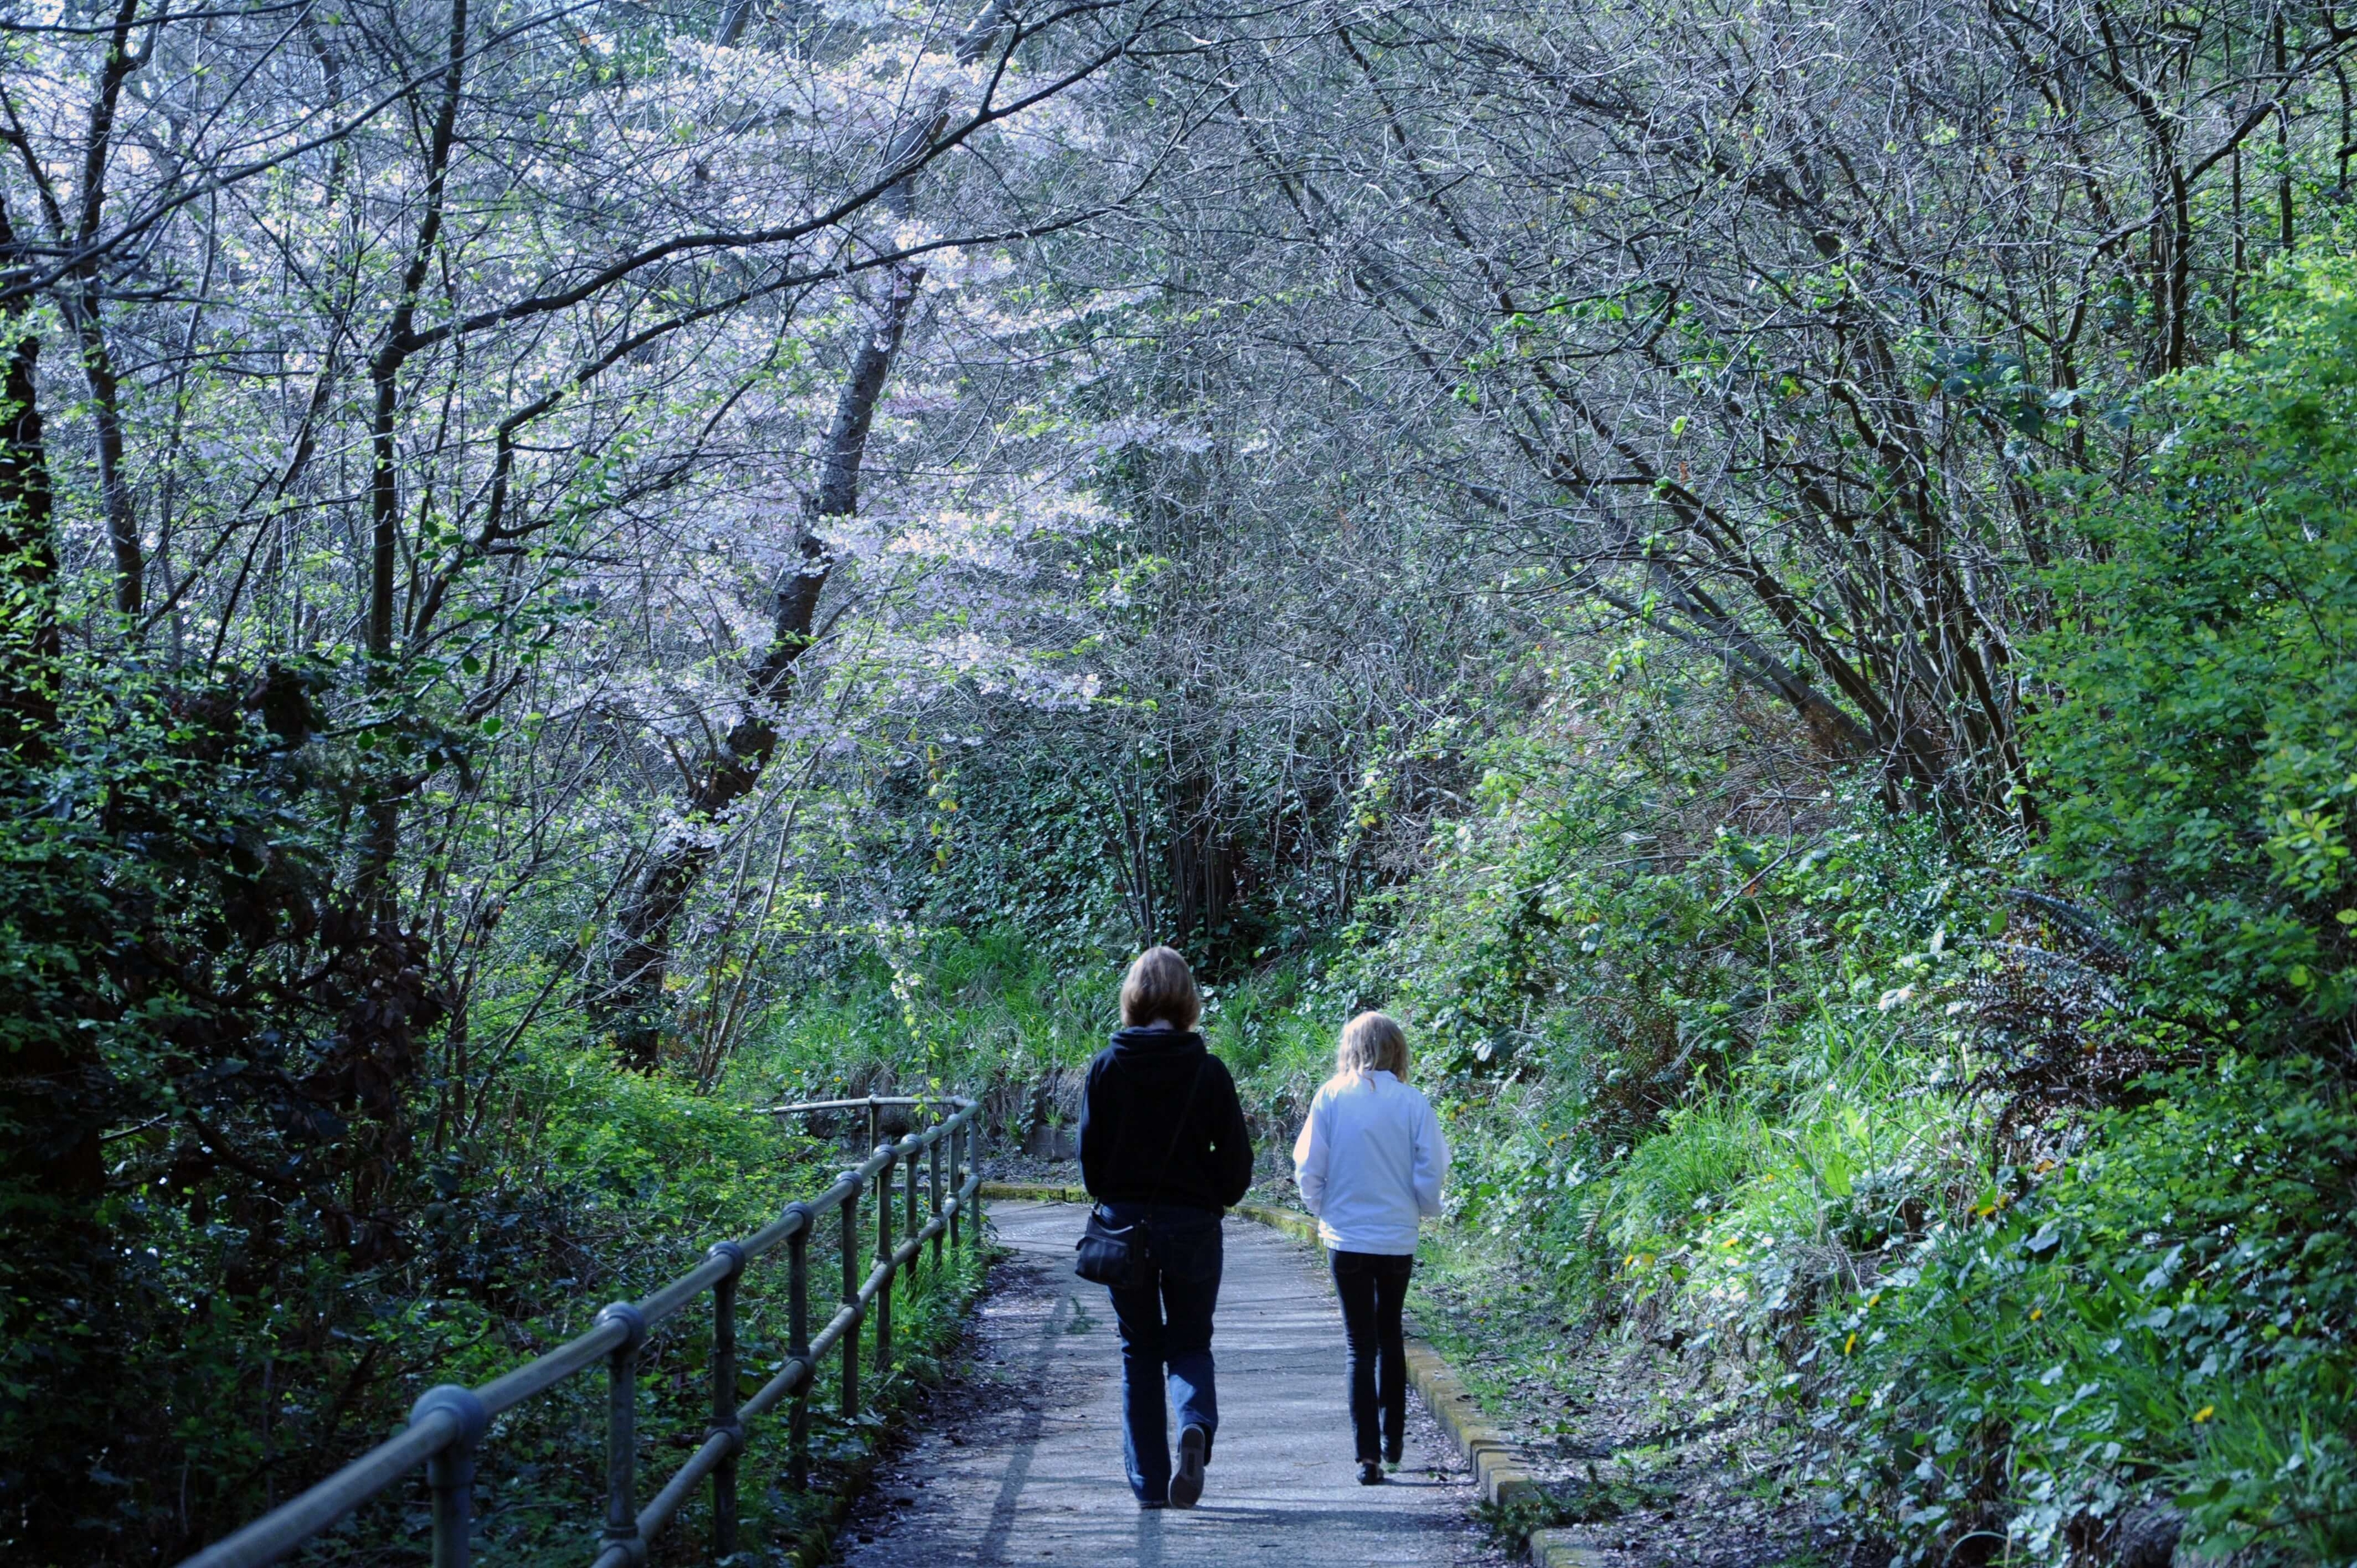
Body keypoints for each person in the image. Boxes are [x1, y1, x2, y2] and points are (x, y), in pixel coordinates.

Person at [1076, 946, 1255, 1510]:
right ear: (1187, 1000)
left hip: (1124, 1228)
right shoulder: (1208, 1070)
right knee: (1190, 1341)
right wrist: (1210, 1200)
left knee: (1138, 1349)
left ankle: (1150, 1485)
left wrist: (1119, 1197)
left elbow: (1091, 1163)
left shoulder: (1106, 1066)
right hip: (1194, 1227)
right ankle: (1194, 1424)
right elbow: (1236, 1164)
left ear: (1133, 996)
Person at [1290, 1011, 1450, 1486]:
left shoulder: (1331, 1096)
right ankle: (1394, 1442)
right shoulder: (1413, 1102)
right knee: (1390, 1335)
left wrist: (1323, 1207)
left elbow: (1308, 1165)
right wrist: (1421, 1209)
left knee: (1359, 1344)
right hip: (1396, 1236)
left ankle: (1367, 1457)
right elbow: (1432, 1168)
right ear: (1397, 1050)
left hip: (1346, 1236)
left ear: (1351, 1048)